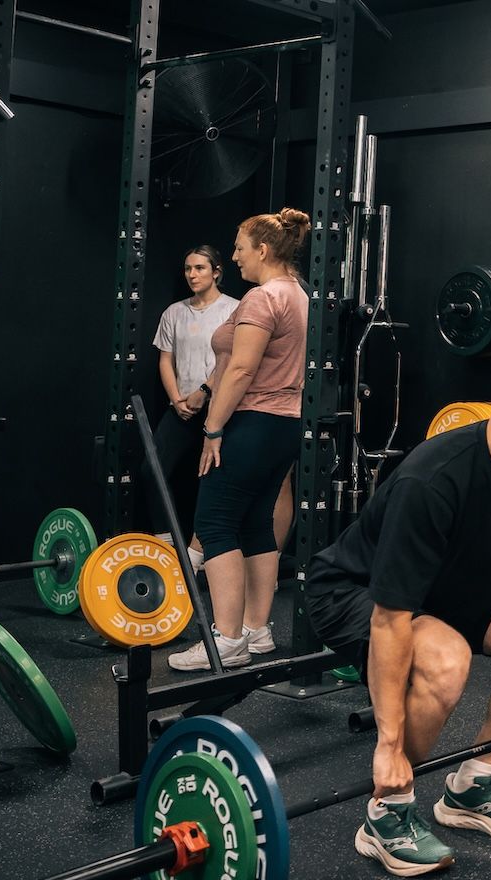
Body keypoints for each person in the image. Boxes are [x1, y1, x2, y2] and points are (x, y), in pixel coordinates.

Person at [304, 335, 491, 876]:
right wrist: (388, 743)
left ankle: (470, 786)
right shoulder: (433, 480)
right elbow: (389, 620)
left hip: (446, 586)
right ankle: (387, 813)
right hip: (352, 590)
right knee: (445, 660)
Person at [168, 208, 310, 672]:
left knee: (213, 523)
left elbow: (244, 369)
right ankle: (257, 630)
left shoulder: (262, 299)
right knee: (254, 524)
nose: (235, 256)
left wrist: (213, 429)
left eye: (240, 248)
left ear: (263, 250)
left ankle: (226, 639)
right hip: (285, 424)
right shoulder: (299, 294)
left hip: (252, 422)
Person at [152, 245, 238, 569]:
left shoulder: (234, 309)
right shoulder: (174, 312)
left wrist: (204, 391)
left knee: (210, 476)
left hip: (217, 405)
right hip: (182, 406)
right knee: (153, 469)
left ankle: (199, 551)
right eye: (188, 268)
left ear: (216, 271)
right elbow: (165, 359)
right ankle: (166, 546)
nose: (192, 275)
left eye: (200, 268)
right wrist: (176, 398)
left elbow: (232, 360)